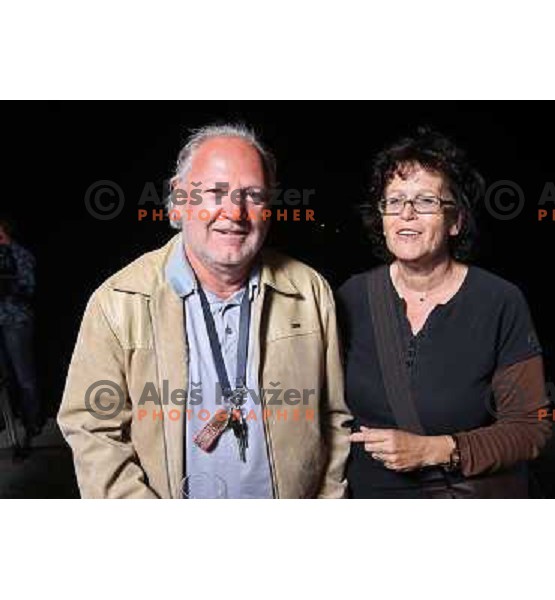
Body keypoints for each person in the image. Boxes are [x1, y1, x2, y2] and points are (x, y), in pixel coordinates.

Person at [58, 123, 350, 499]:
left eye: (252, 195)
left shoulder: (310, 292)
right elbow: (90, 427)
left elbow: (334, 418)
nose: (235, 212)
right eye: (215, 192)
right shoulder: (118, 300)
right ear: (180, 200)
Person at [336, 128, 551, 498]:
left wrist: (434, 450)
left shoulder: (499, 301)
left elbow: (530, 429)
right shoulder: (350, 298)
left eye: (425, 201)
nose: (406, 213)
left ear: (456, 221)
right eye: (395, 200)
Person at [0, 217, 42, 450]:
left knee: (24, 378)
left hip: (16, 321)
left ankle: (32, 423)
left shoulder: (20, 254)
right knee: (4, 379)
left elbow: (29, 286)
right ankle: (10, 424)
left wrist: (9, 286)